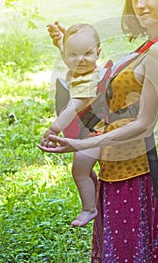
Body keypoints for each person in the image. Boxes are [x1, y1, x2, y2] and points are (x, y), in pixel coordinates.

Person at [39, 0, 158, 262]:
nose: (140, 4)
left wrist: (81, 144)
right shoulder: (152, 43)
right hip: (116, 161)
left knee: (124, 253)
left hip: (131, 171)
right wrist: (65, 46)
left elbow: (144, 124)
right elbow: (103, 87)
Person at [43, 22, 101, 227]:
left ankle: (89, 209)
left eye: (87, 53)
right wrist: (60, 40)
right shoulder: (81, 67)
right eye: (73, 55)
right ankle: (97, 197)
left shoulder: (89, 81)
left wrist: (53, 129)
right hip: (90, 131)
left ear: (98, 53)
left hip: (98, 134)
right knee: (85, 169)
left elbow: (72, 108)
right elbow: (69, 53)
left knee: (79, 169)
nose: (80, 60)